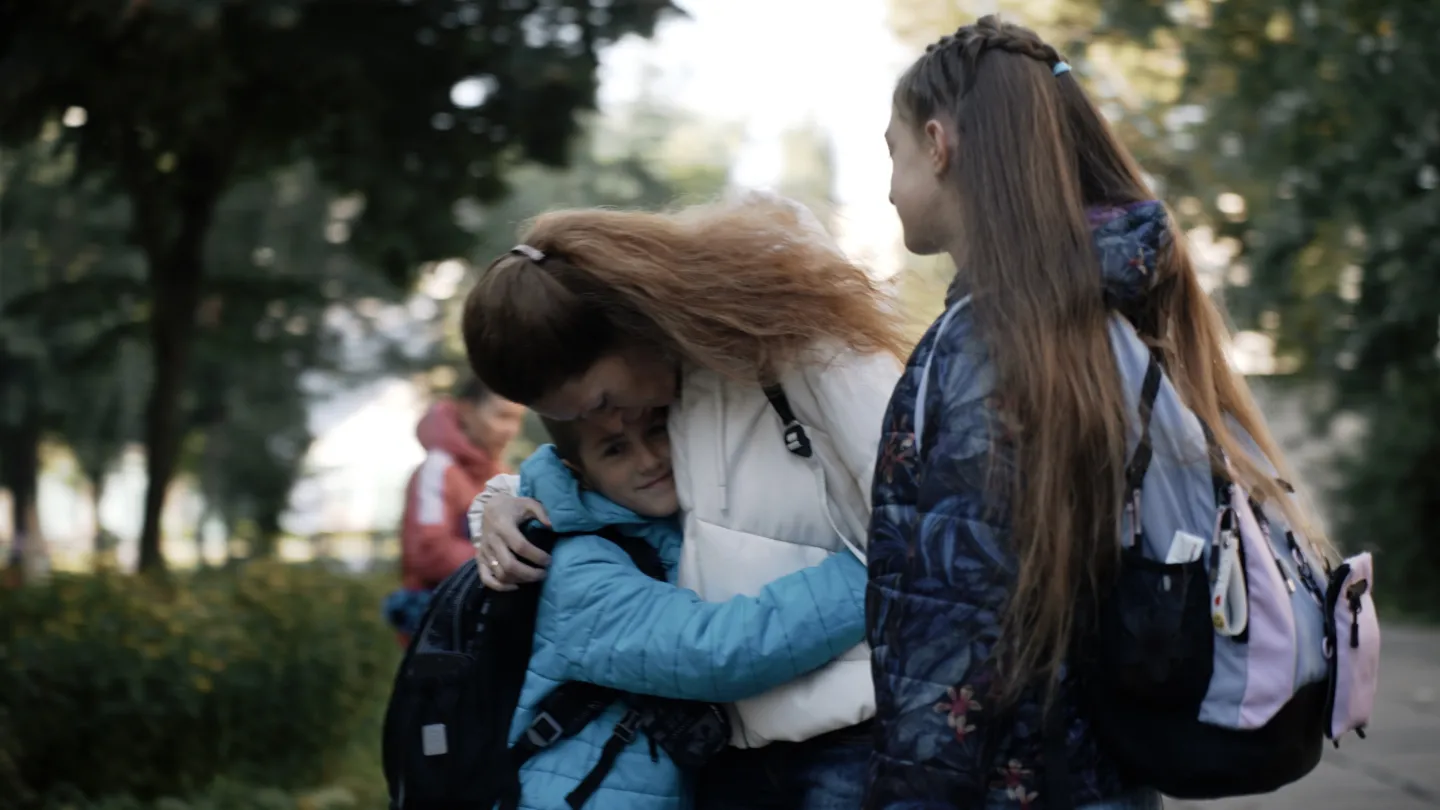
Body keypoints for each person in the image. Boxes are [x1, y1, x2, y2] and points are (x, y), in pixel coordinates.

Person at [868, 15, 1327, 810]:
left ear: (938, 145)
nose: (887, 185)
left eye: (893, 152)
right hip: (1108, 775)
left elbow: (962, 631)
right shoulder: (1118, 317)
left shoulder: (985, 343)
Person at [462, 194, 906, 809]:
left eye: (600, 402)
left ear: (622, 326)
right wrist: (498, 504)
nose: (625, 425)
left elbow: (923, 488)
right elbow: (586, 483)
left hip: (851, 735)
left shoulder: (795, 340)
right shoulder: (671, 383)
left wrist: (896, 570)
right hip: (745, 756)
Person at [506, 406, 867, 810]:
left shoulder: (655, 526)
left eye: (657, 432)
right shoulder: (577, 569)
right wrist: (874, 568)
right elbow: (713, 651)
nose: (648, 459)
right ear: (580, 473)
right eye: (615, 450)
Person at [385, 378, 526, 643]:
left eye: (517, 420)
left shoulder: (502, 474)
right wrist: (505, 559)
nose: (510, 430)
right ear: (467, 410)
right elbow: (429, 551)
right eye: (502, 416)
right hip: (442, 630)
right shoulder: (438, 470)